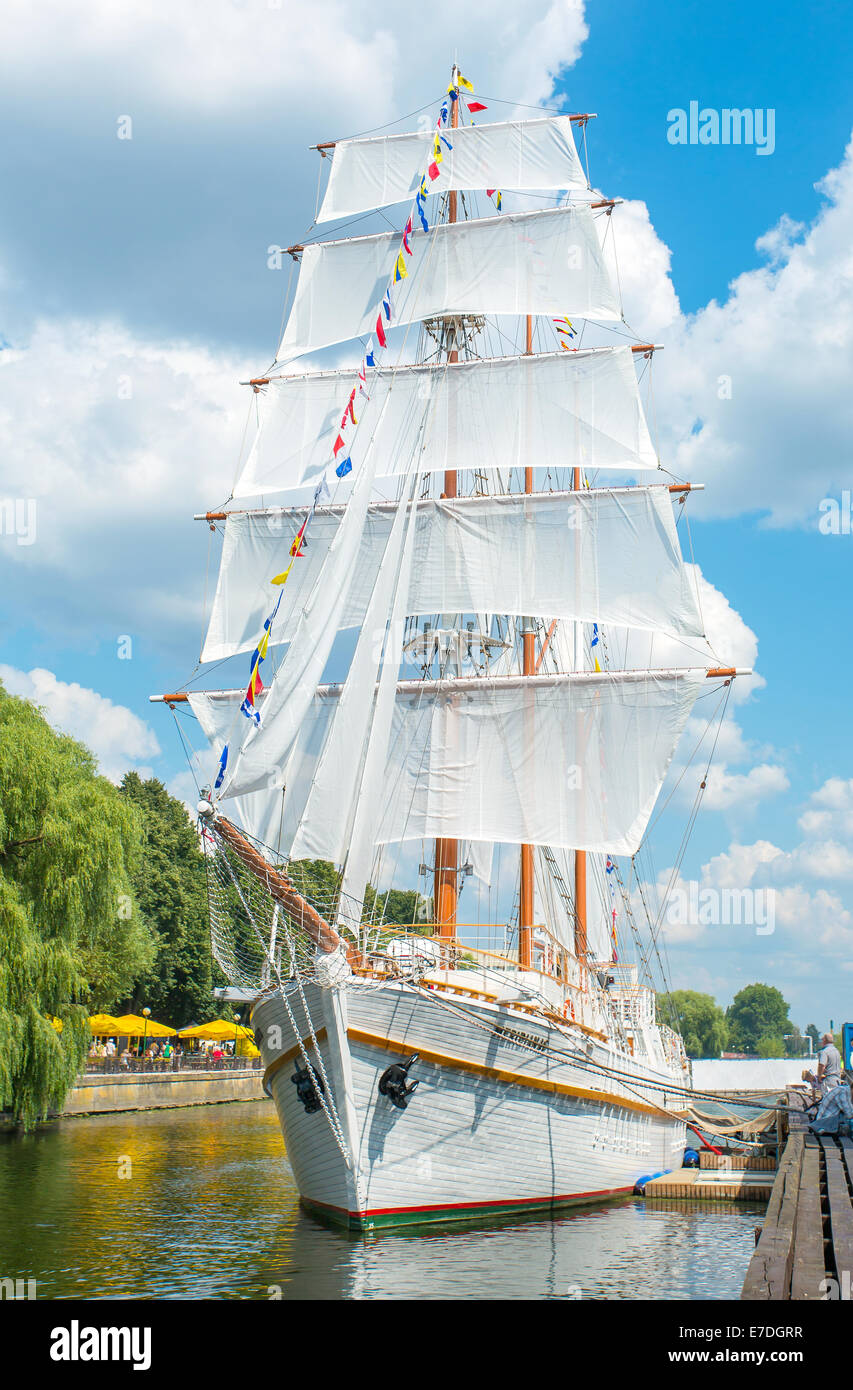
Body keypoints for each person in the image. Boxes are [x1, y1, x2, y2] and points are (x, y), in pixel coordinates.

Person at [811, 1071, 853, 1136]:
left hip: (826, 1119)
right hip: (825, 1121)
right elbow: (849, 1114)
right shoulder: (843, 1092)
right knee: (846, 1120)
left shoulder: (843, 1089)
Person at [804, 1032, 842, 1098]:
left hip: (829, 1080)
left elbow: (822, 1065)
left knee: (828, 1100)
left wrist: (819, 1077)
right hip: (837, 1080)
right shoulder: (837, 1051)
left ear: (824, 1040)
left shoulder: (824, 1052)